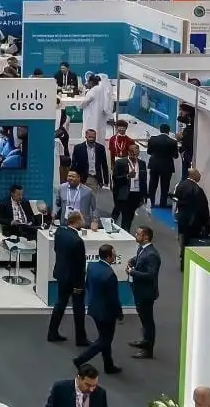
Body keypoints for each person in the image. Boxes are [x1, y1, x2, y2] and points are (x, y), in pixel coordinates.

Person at [75, 243, 124, 373]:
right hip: (107, 313)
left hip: (94, 308)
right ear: (109, 257)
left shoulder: (92, 266)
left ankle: (108, 365)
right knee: (104, 340)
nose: (114, 257)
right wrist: (119, 314)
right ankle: (80, 360)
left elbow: (88, 285)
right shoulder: (109, 274)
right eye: (113, 255)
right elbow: (113, 298)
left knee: (104, 337)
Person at [47, 211, 89, 346]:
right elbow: (80, 265)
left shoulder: (59, 232)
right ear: (77, 221)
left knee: (60, 304)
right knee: (79, 308)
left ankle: (52, 332)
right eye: (82, 219)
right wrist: (79, 285)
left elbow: (56, 250)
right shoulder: (78, 241)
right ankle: (81, 338)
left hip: (61, 274)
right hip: (74, 280)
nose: (84, 221)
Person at [125, 226, 160, 359]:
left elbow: (151, 275)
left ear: (146, 237)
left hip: (146, 293)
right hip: (139, 290)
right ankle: (145, 341)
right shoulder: (143, 248)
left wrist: (132, 272)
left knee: (148, 321)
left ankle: (148, 349)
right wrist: (133, 261)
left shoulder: (152, 255)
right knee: (144, 319)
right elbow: (139, 257)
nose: (135, 235)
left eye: (138, 234)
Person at [175, 167, 210, 270]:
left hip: (183, 220)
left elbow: (177, 202)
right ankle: (191, 264)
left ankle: (183, 263)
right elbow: (202, 208)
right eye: (198, 173)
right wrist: (206, 223)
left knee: (183, 242)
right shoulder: (197, 190)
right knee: (192, 243)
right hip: (194, 222)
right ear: (193, 175)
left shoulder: (180, 186)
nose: (200, 175)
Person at [110, 144, 147, 230]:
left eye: (137, 154)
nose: (135, 156)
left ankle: (126, 232)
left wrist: (143, 196)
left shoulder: (142, 163)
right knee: (121, 214)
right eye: (133, 154)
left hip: (136, 194)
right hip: (124, 194)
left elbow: (143, 180)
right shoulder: (120, 162)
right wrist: (127, 176)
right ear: (129, 152)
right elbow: (115, 177)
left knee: (130, 216)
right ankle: (115, 230)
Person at [146, 124, 179, 209]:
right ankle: (162, 204)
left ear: (160, 130)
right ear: (168, 131)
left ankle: (151, 203)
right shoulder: (173, 142)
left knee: (152, 185)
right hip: (167, 166)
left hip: (154, 165)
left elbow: (149, 152)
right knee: (165, 186)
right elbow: (176, 156)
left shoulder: (152, 139)